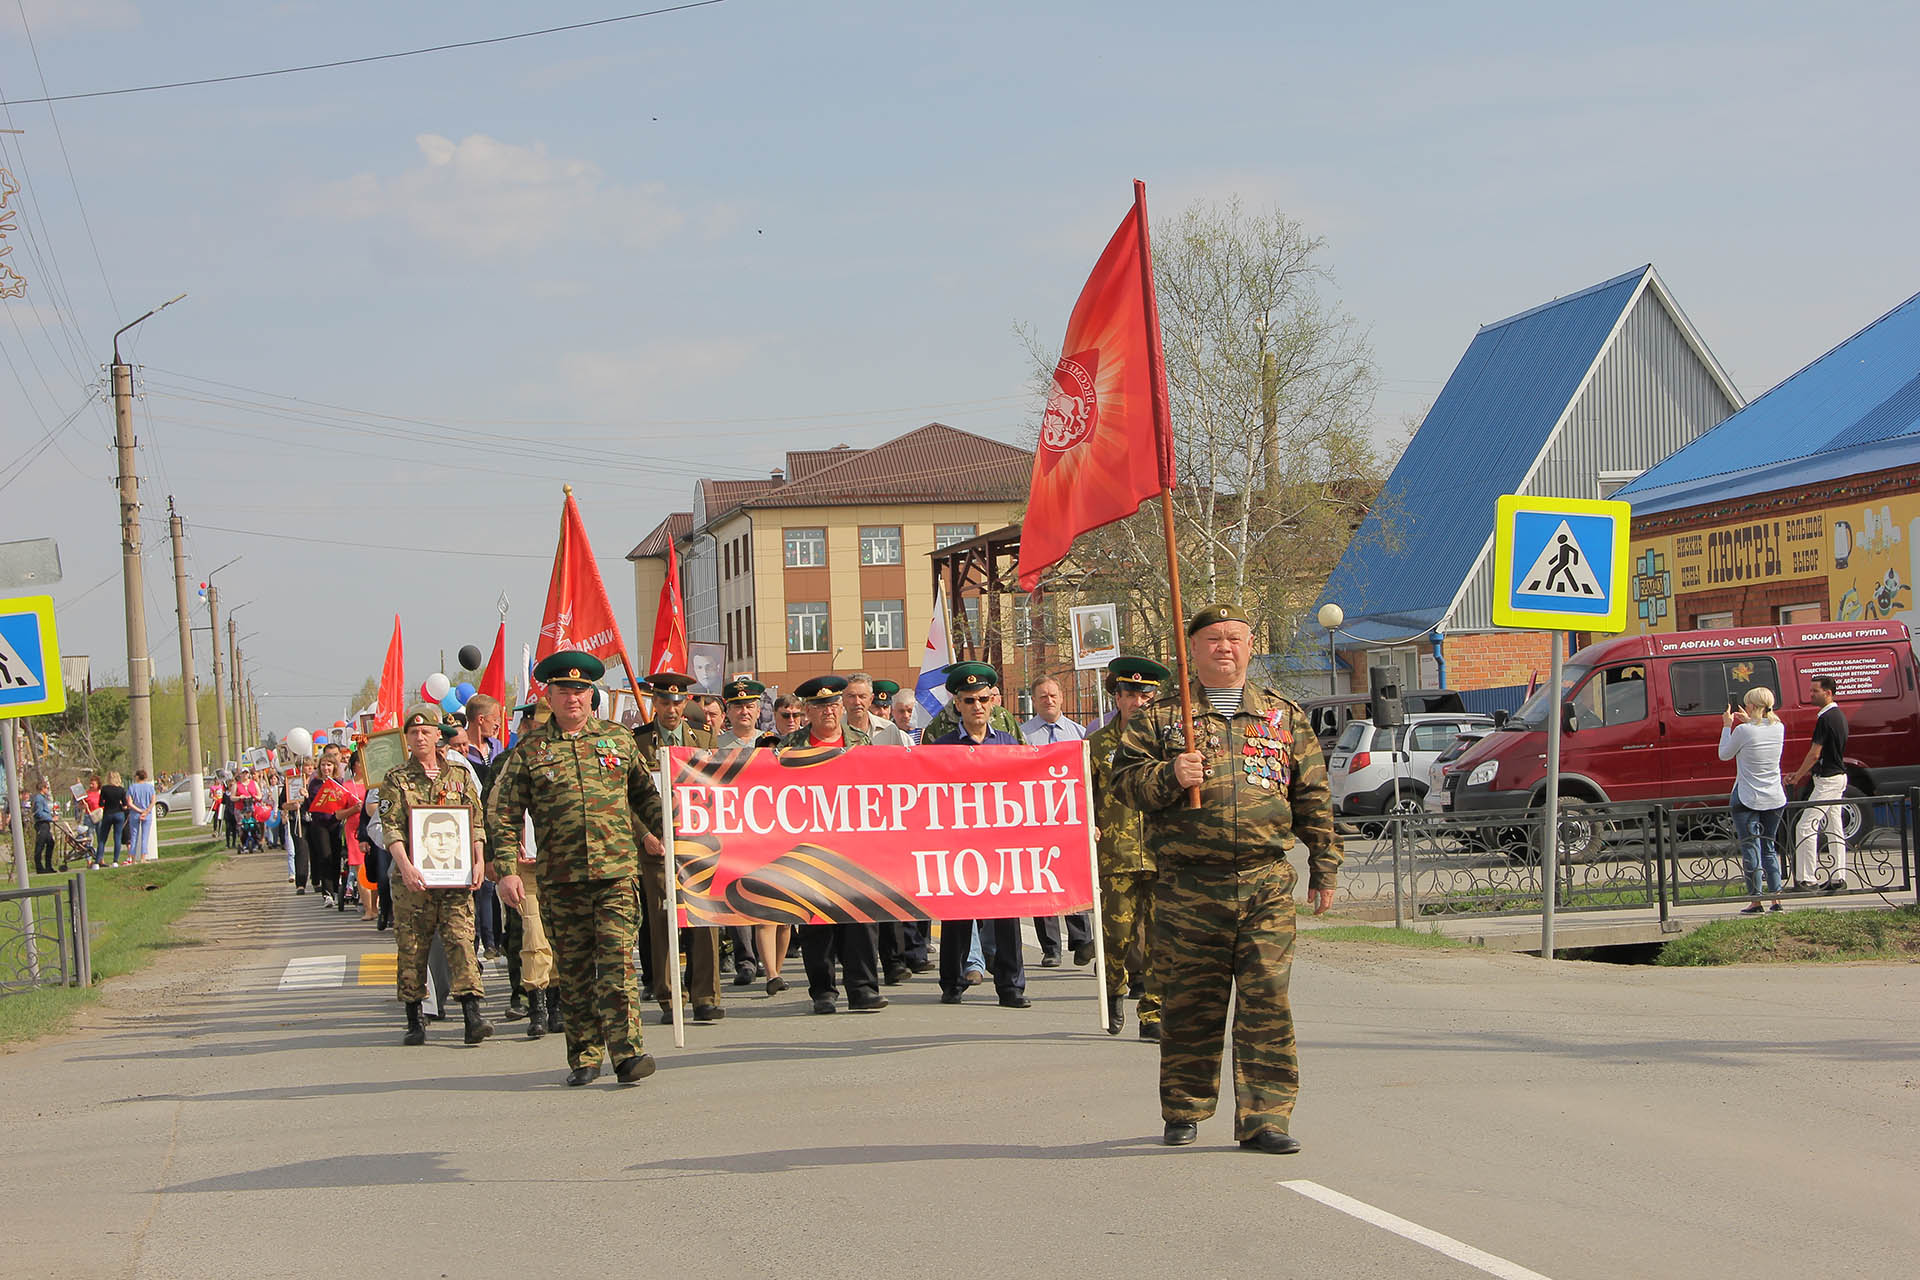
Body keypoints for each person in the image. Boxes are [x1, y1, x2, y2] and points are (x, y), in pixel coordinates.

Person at [1111, 604, 1340, 1156]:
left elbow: (1312, 794)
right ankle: (1184, 1107)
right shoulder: (1164, 717)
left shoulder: (1283, 717)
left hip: (1264, 883)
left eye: (1235, 638)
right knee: (1192, 1000)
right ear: (1193, 650)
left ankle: (1265, 1117)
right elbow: (1122, 784)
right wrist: (1170, 774)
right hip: (1190, 886)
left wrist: (1325, 865)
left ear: (1251, 645)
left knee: (1266, 1000)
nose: (1225, 647)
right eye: (1212, 639)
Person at [489, 652, 662, 1087]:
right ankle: (585, 1055)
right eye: (564, 691)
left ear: (593, 696)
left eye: (581, 690)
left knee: (619, 964)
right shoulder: (530, 750)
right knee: (575, 969)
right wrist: (507, 870)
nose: (574, 698)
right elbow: (505, 815)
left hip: (616, 874)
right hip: (561, 878)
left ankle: (627, 1053)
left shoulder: (619, 741)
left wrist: (679, 838)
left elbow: (647, 799)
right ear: (549, 695)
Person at [379, 706, 492, 1048]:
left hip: (454, 878)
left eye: (425, 732)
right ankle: (415, 1018)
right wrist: (405, 865)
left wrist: (478, 860)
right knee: (413, 947)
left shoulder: (458, 775)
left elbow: (474, 820)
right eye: (413, 733)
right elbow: (391, 827)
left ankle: (472, 1016)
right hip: (413, 881)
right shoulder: (396, 778)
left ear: (437, 735)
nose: (419, 737)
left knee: (461, 941)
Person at [928, 662, 1031, 1010]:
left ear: (993, 701)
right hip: (958, 843)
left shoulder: (1007, 743)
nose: (978, 707)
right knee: (958, 914)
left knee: (1006, 916)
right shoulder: (940, 747)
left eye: (984, 699)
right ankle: (953, 982)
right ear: (957, 703)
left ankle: (1011, 986)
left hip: (1000, 843)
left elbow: (1027, 787)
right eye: (969, 700)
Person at [780, 675, 886, 1014]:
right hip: (808, 846)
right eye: (819, 706)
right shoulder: (789, 746)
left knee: (860, 920)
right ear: (807, 711)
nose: (828, 711)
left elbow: (878, 789)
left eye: (833, 705)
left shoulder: (862, 742)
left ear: (841, 708)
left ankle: (863, 989)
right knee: (816, 923)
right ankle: (823, 990)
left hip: (854, 844)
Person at [630, 670, 724, 1024]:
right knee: (662, 920)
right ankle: (671, 997)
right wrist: (644, 835)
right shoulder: (638, 742)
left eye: (677, 702)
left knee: (704, 916)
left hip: (698, 842)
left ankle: (705, 994)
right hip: (657, 846)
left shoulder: (703, 737)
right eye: (665, 702)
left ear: (686, 703)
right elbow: (626, 796)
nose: (671, 709)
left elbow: (716, 787)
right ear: (655, 703)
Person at [1089, 656, 1172, 1038]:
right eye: (1130, 695)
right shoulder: (1096, 745)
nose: (1138, 702)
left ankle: (1152, 1013)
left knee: (1159, 939)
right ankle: (1114, 988)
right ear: (1117, 697)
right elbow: (1081, 797)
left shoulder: (1169, 741)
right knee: (1117, 937)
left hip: (1160, 853)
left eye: (1146, 695)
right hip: (1115, 855)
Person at [714, 677, 779, 989]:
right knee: (737, 895)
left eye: (749, 705)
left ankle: (772, 964)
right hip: (731, 831)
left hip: (767, 830)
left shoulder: (772, 743)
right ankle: (745, 961)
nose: (744, 710)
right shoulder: (716, 746)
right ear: (728, 710)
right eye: (737, 705)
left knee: (769, 895)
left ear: (758, 709)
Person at [1719, 687, 1788, 914]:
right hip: (1774, 796)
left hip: (1747, 796)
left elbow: (1724, 754)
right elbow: (1760, 732)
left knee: (1751, 848)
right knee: (1769, 847)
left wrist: (1727, 726)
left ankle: (1756, 900)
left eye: (1748, 703)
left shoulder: (1743, 731)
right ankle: (1776, 899)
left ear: (1752, 706)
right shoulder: (1779, 728)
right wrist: (1749, 722)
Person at [1787, 675, 1850, 892]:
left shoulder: (1826, 718)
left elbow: (1815, 754)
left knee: (1806, 825)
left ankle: (1807, 879)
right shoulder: (1839, 715)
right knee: (1834, 827)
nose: (1811, 694)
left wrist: (1797, 775)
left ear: (1828, 693)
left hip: (1827, 780)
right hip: (1838, 776)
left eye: (1815, 691)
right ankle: (1838, 878)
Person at [95, 771, 130, 867]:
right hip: (119, 814)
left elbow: (100, 804)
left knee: (102, 838)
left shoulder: (105, 789)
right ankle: (115, 861)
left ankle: (97, 862)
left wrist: (106, 803)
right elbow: (125, 805)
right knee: (117, 837)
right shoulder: (121, 790)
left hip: (108, 814)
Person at [127, 770, 157, 862]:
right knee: (145, 836)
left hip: (135, 814)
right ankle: (143, 857)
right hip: (147, 814)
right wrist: (146, 811)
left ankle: (132, 858)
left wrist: (139, 810)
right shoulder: (150, 787)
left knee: (134, 836)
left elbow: (129, 803)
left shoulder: (132, 787)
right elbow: (153, 801)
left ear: (137, 777)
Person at [31, 778, 57, 875]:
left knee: (50, 843)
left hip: (46, 824)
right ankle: (39, 867)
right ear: (42, 788)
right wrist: (51, 818)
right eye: (47, 788)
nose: (48, 790)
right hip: (42, 824)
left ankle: (48, 866)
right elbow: (39, 813)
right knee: (40, 845)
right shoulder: (39, 798)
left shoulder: (43, 799)